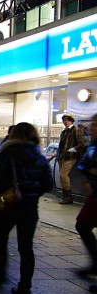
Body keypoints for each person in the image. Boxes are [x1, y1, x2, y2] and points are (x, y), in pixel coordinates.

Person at [0, 122, 53, 294]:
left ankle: (1, 274)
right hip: (30, 208)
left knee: (1, 239)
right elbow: (48, 184)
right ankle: (25, 287)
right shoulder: (39, 157)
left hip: (8, 206)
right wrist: (32, 193)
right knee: (26, 248)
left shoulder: (6, 154)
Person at [75, 113, 97, 277]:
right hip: (95, 194)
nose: (91, 128)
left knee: (83, 225)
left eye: (95, 125)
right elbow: (83, 164)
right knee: (82, 225)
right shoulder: (94, 145)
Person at [52, 113, 86, 204]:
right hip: (62, 156)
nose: (65, 122)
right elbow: (61, 145)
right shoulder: (64, 132)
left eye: (67, 120)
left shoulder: (76, 130)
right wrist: (56, 154)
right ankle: (65, 197)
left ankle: (68, 197)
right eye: (64, 120)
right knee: (62, 176)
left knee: (63, 175)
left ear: (71, 121)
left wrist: (73, 149)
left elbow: (82, 144)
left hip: (70, 157)